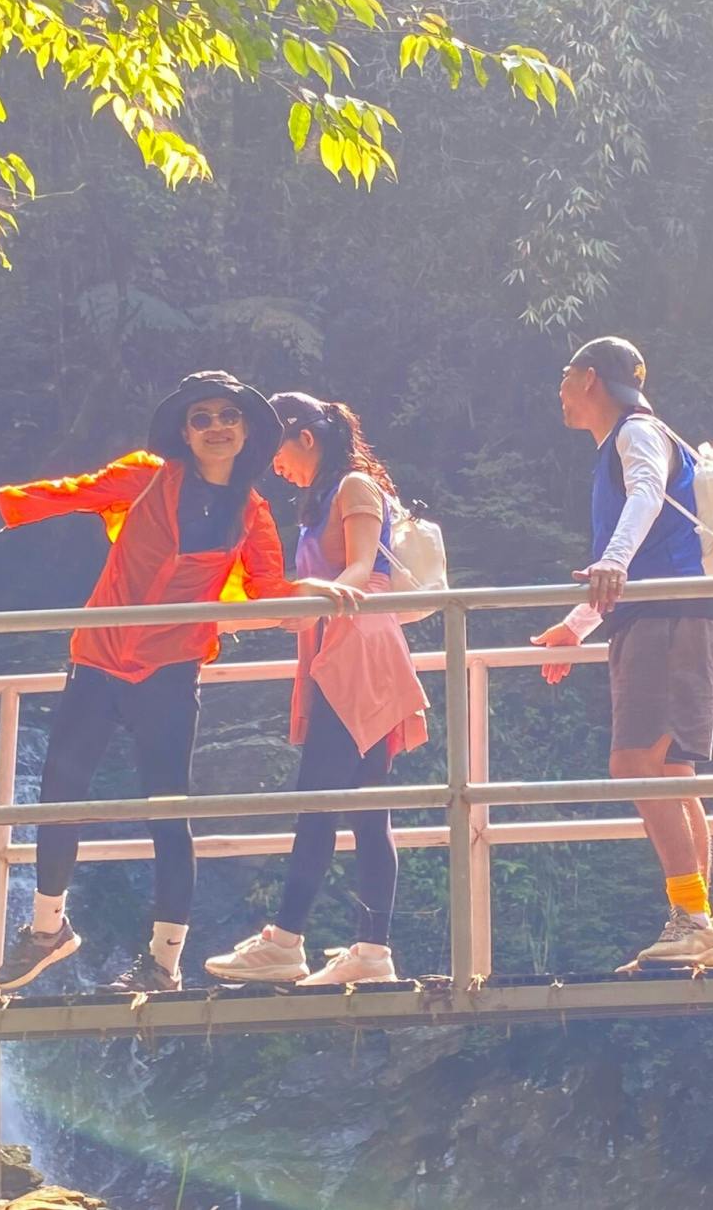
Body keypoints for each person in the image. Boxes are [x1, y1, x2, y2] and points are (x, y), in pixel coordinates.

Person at [0, 371, 359, 994]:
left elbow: (268, 591)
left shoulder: (253, 512)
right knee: (60, 794)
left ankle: (162, 961)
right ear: (184, 431)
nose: (216, 427)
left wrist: (318, 589)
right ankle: (48, 929)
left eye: (227, 417)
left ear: (246, 430)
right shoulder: (147, 474)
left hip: (170, 666)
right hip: (99, 655)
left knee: (166, 808)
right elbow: (69, 493)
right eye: (201, 418)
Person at [204, 394, 429, 987]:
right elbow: (326, 588)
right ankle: (369, 951)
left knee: (324, 801)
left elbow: (359, 572)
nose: (272, 463)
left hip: (360, 646)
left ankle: (287, 941)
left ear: (305, 437)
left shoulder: (355, 487)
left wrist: (306, 594)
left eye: (274, 447)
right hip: (341, 642)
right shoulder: (321, 498)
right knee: (359, 805)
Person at [528, 337, 713, 972]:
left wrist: (609, 563)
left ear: (588, 379)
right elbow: (642, 545)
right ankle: (698, 922)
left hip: (664, 622)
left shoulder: (636, 435)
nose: (560, 388)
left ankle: (692, 919)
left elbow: (645, 497)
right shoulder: (635, 437)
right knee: (670, 775)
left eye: (565, 375)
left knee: (637, 764)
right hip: (661, 617)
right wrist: (579, 623)